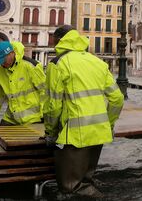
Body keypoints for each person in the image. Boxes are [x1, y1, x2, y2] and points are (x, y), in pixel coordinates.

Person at [43, 25, 125, 197]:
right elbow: (117, 98)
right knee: (86, 182)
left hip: (74, 135)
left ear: (59, 40)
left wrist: (50, 132)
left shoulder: (57, 64)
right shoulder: (98, 62)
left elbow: (53, 105)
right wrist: (108, 124)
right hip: (98, 132)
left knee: (70, 188)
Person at [0, 41, 46, 131]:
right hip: (11, 117)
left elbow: (45, 91)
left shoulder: (31, 66)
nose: (2, 64)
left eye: (3, 60)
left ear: (12, 53)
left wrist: (45, 115)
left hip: (34, 117)